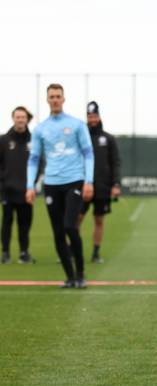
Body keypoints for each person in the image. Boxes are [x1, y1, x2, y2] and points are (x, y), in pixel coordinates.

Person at [26, 83, 94, 288]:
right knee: (57, 231)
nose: (55, 99)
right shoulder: (40, 129)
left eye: (58, 96)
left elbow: (88, 153)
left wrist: (88, 181)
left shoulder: (76, 124)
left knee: (69, 226)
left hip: (74, 180)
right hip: (51, 184)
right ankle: (70, 277)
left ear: (63, 99)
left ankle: (81, 274)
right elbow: (34, 158)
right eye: (51, 96)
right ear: (47, 100)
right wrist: (30, 185)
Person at [79, 101, 121, 263]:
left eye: (94, 116)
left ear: (99, 116)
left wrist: (115, 184)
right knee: (77, 218)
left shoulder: (108, 138)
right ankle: (71, 251)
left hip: (103, 186)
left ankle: (96, 253)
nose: (92, 119)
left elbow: (115, 162)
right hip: (83, 186)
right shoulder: (81, 137)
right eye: (89, 116)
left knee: (99, 220)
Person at [0, 107, 38, 264]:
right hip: (7, 190)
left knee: (25, 224)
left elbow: (39, 162)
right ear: (13, 118)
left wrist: (33, 183)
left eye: (23, 117)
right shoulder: (3, 140)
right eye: (18, 117)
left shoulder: (34, 140)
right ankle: (5, 253)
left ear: (27, 119)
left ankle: (24, 253)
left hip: (26, 191)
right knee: (7, 222)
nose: (20, 120)